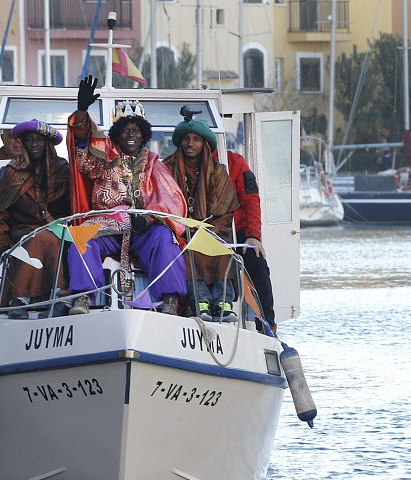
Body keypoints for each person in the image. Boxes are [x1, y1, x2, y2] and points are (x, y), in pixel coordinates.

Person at [66, 76, 188, 316]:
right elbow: (82, 155)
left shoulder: (155, 164)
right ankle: (82, 298)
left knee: (166, 239)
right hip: (106, 224)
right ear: (117, 134)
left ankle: (170, 301)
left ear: (143, 135)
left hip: (143, 228)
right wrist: (81, 112)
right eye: (125, 130)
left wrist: (151, 220)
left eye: (135, 130)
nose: (131, 134)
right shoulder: (104, 158)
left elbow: (172, 202)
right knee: (79, 237)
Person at [0, 119, 70, 319]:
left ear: (47, 144)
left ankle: (55, 298)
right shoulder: (14, 171)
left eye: (38, 141)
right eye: (29, 141)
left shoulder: (63, 170)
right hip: (22, 230)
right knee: (42, 238)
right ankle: (24, 298)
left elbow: (73, 206)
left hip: (60, 229)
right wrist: (3, 245)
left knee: (57, 238)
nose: (33, 145)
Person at [163, 109, 240, 322]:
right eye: (186, 139)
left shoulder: (218, 171)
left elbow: (226, 210)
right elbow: (161, 204)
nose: (190, 143)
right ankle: (201, 303)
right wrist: (185, 228)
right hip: (180, 231)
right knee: (187, 250)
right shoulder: (166, 169)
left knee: (223, 249)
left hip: (213, 229)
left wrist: (206, 229)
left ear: (204, 143)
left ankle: (224, 302)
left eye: (196, 139)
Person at [225, 149, 276, 332]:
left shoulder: (235, 162)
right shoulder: (176, 162)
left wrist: (253, 235)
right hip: (203, 232)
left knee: (258, 264)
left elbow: (251, 200)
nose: (192, 143)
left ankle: (268, 325)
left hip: (236, 232)